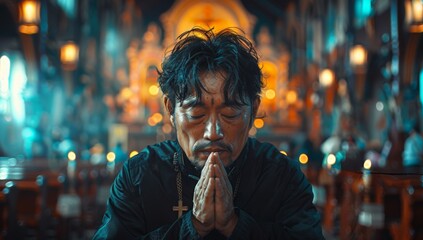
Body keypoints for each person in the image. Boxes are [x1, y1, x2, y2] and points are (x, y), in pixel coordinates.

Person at [93, 27, 323, 239]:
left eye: (230, 113)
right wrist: (193, 227)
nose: (213, 133)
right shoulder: (139, 176)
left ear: (253, 109)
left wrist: (234, 225)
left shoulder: (282, 177)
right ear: (170, 109)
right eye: (196, 114)